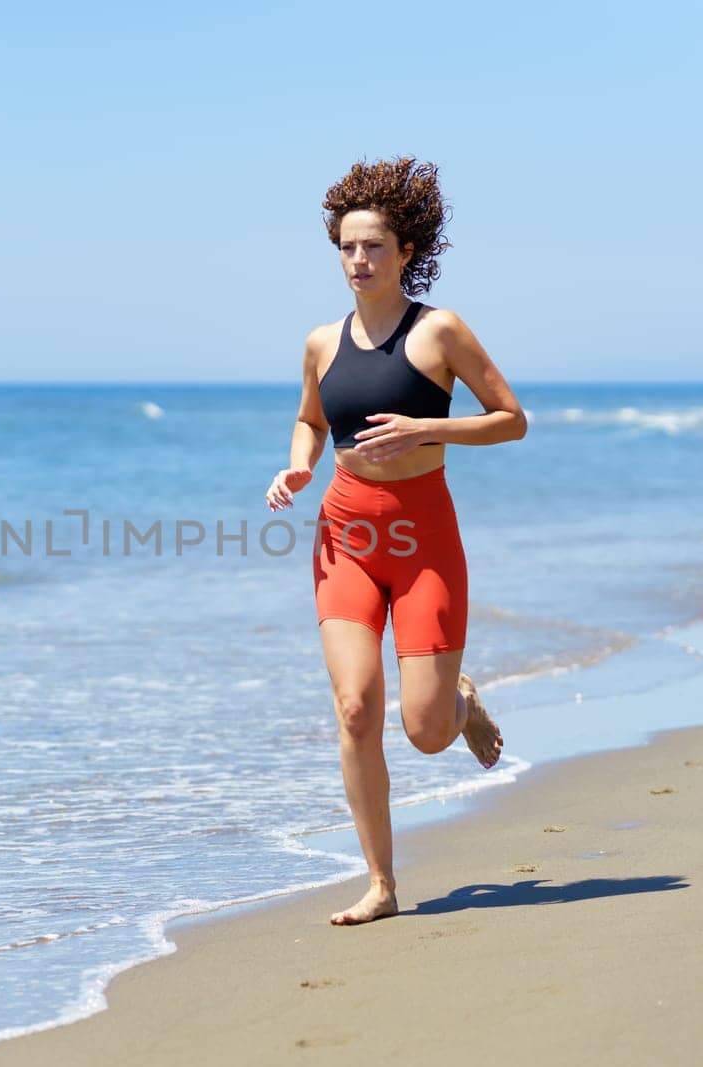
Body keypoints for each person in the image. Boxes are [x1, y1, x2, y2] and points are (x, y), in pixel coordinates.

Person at [264, 157, 527, 925]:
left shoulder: (438, 331)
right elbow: (312, 419)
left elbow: (511, 418)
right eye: (347, 247)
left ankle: (457, 699)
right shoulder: (320, 341)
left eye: (374, 246)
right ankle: (381, 882)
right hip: (344, 531)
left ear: (406, 249)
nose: (359, 261)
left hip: (423, 535)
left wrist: (427, 427)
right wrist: (298, 466)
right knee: (354, 708)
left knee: (423, 730)